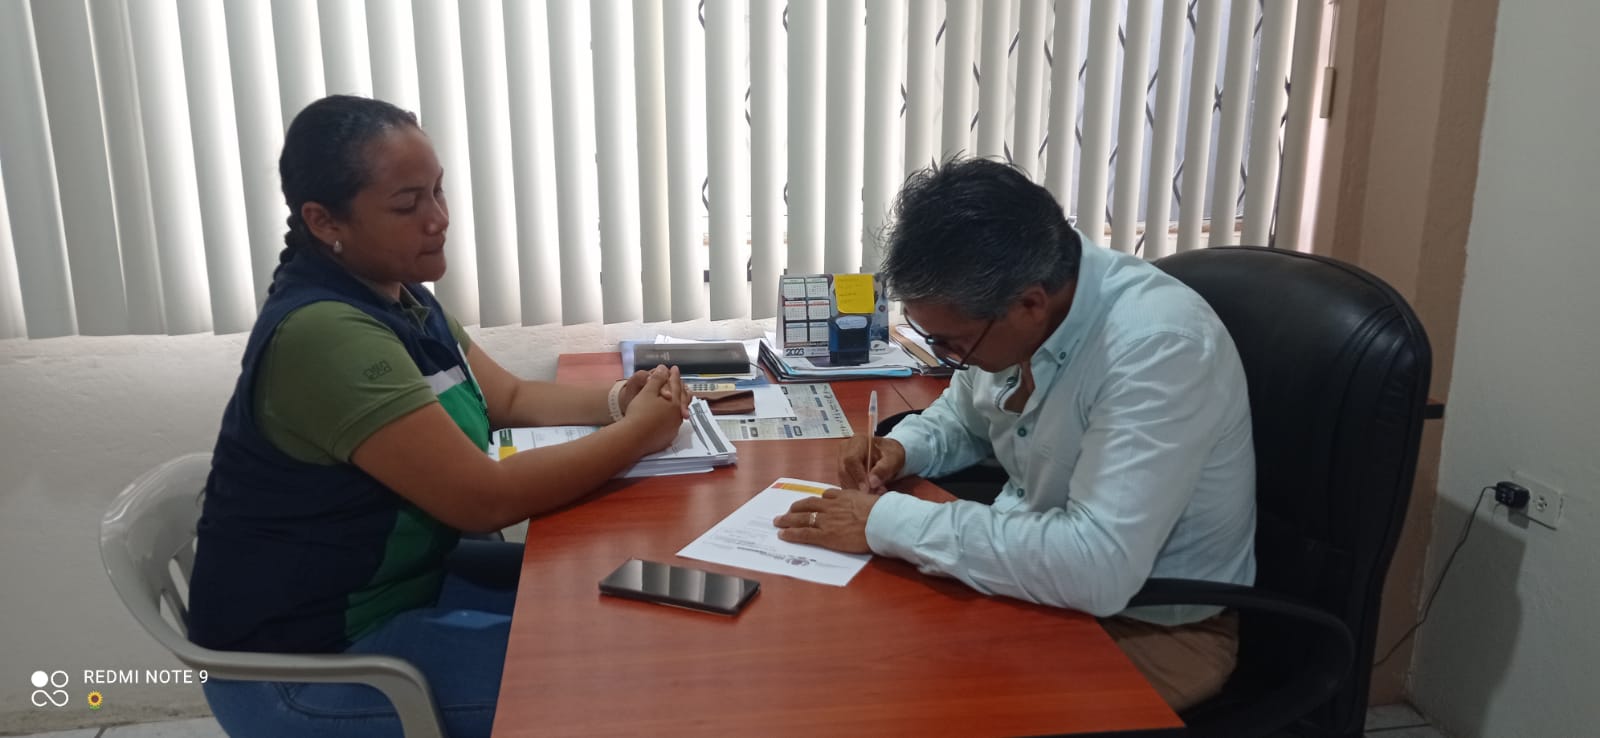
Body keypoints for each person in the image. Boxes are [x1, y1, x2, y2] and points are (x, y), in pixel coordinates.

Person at [186, 95, 690, 738]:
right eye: (407, 205)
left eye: (438, 191)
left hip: (413, 588)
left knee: (646, 604)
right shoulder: (325, 334)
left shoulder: (401, 297)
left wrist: (623, 399)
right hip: (315, 662)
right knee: (627, 679)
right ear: (323, 220)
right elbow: (483, 501)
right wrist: (638, 434)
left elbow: (508, 400)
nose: (438, 219)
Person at [773, 157, 1257, 710]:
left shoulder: (1157, 349)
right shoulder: (1022, 311)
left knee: (910, 698)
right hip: (1037, 580)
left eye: (954, 343)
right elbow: (966, 416)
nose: (950, 357)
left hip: (1148, 626)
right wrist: (903, 448)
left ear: (1029, 304)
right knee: (850, 656)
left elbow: (1097, 567)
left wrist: (882, 521)